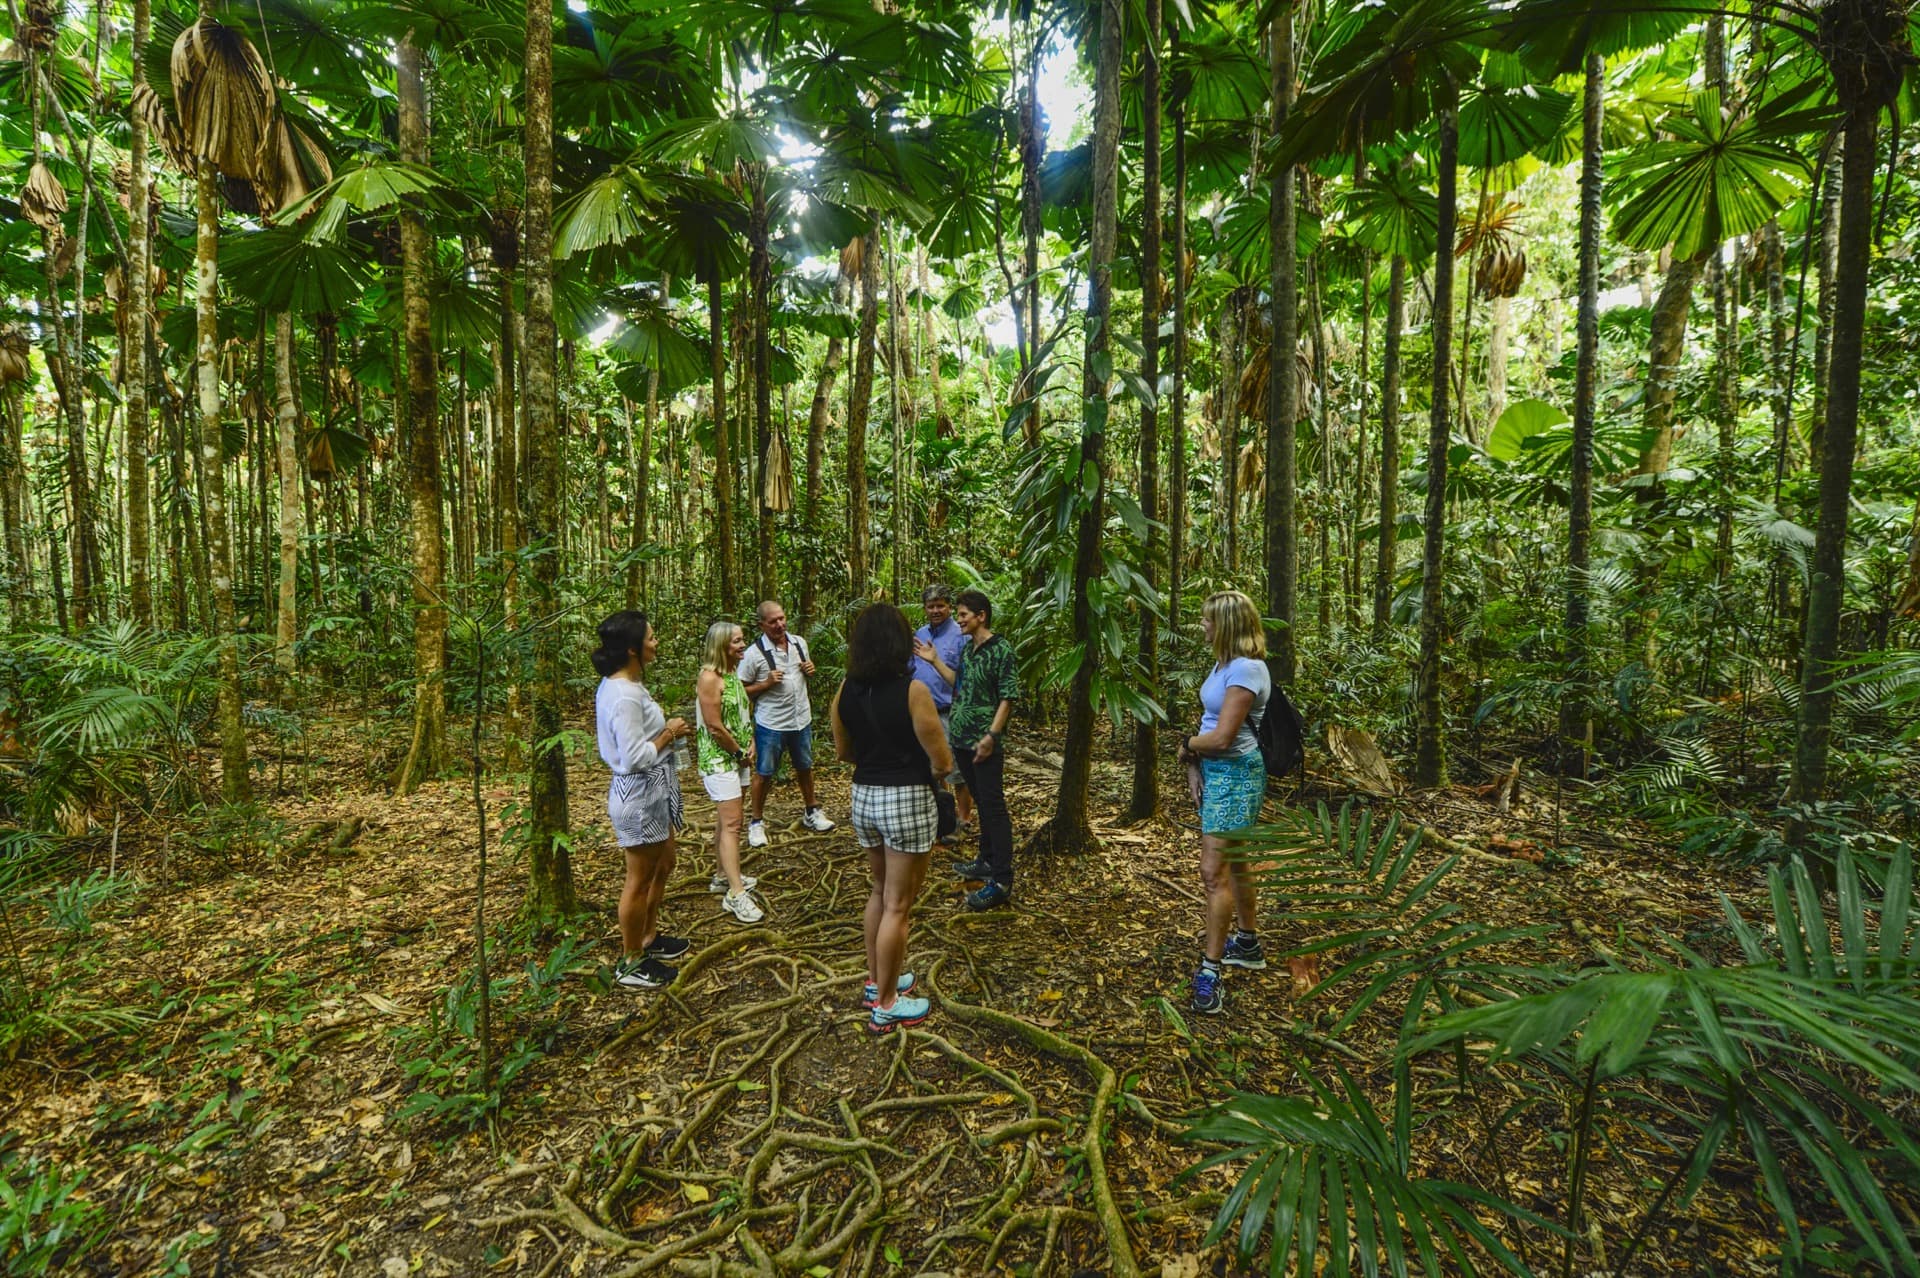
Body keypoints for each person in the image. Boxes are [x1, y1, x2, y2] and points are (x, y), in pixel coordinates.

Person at [830, 602, 956, 1033]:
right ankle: (887, 1002)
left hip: (864, 797)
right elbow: (941, 760)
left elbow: (843, 751)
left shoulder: (845, 688)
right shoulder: (913, 690)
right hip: (905, 799)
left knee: (880, 891)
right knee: (899, 905)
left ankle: (876, 979)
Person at [1176, 590, 1273, 1015]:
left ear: (1227, 624)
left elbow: (1221, 737)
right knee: (1236, 862)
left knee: (1213, 873)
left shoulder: (1248, 670)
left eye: (1207, 619)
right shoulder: (1224, 665)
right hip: (1218, 772)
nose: (1202, 625)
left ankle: (1211, 971)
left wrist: (1186, 746)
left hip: (1236, 776)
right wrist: (1194, 764)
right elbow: (1210, 725)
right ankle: (1247, 942)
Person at [592, 610, 695, 991]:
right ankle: (631, 960)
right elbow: (634, 757)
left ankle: (649, 936)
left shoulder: (630, 685)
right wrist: (669, 733)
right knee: (638, 880)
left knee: (664, 862)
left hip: (656, 787)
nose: (656, 642)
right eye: (651, 638)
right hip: (637, 793)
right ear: (633, 650)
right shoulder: (621, 695)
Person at [737, 600, 835, 846]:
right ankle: (756, 822)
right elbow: (739, 691)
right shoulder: (752, 654)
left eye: (782, 618)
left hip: (801, 719)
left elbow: (803, 676)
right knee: (764, 772)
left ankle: (812, 811)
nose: (780, 624)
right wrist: (765, 684)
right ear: (762, 625)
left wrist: (810, 669)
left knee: (805, 767)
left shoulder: (799, 643)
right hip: (771, 723)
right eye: (773, 621)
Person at [945, 589, 1018, 911]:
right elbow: (957, 684)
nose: (958, 620)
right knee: (982, 804)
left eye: (962, 615)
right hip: (961, 740)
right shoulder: (967, 649)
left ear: (981, 616)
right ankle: (986, 860)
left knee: (993, 805)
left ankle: (1002, 880)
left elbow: (1008, 696)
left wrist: (992, 735)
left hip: (984, 742)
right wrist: (933, 661)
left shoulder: (1001, 649)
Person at [696, 620, 766, 925]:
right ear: (722, 645)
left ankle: (723, 877)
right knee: (734, 824)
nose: (742, 646)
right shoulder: (709, 678)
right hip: (719, 760)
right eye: (736, 641)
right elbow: (713, 726)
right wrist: (738, 752)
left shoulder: (732, 674)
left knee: (726, 822)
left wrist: (749, 742)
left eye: (742, 640)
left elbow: (740, 715)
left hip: (738, 757)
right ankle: (736, 894)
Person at [910, 583, 973, 842]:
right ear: (924, 609)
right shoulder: (919, 634)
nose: (935, 610)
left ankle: (964, 819)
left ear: (949, 607)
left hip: (951, 712)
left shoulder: (962, 635)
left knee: (957, 769)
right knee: (933, 767)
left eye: (940, 605)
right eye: (931, 606)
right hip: (924, 713)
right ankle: (941, 819)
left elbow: (966, 678)